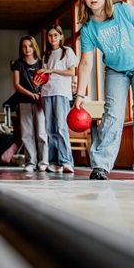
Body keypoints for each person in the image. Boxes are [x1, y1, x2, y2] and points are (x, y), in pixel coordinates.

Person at [73, 0, 134, 180]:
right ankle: (101, 166)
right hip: (115, 71)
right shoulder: (88, 28)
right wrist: (79, 95)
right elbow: (85, 63)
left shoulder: (124, 10)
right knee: (112, 115)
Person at [40, 24, 79, 174]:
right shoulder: (46, 55)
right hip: (46, 93)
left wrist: (53, 70)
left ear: (61, 36)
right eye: (50, 36)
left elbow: (71, 72)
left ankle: (67, 161)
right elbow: (44, 75)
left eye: (55, 35)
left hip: (61, 93)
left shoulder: (67, 52)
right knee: (50, 128)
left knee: (61, 127)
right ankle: (54, 162)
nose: (52, 38)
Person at [10, 36, 48, 172]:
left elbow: (47, 82)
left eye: (29, 46)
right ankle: (31, 162)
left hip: (40, 102)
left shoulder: (42, 63)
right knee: (27, 133)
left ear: (34, 47)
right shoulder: (18, 64)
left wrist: (39, 95)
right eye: (24, 46)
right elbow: (16, 84)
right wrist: (30, 94)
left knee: (42, 133)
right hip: (24, 101)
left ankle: (44, 162)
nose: (27, 49)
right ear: (21, 48)